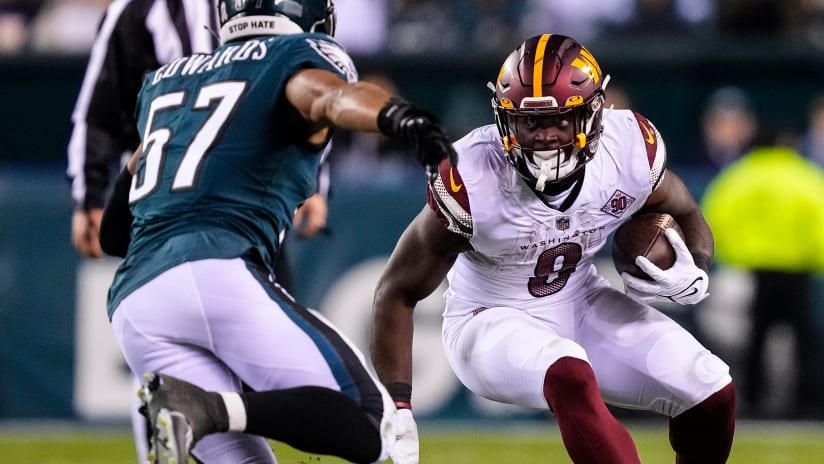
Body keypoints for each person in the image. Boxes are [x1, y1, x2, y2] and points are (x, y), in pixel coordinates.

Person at [97, 1, 457, 463]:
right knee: (370, 419)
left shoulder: (173, 79)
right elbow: (325, 96)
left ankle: (201, 409)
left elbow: (113, 233)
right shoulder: (292, 54)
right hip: (217, 269)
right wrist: (395, 117)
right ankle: (204, 407)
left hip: (137, 306)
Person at [369, 34, 736, 464]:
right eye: (529, 123)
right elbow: (396, 290)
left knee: (709, 387)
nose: (544, 136)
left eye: (560, 120)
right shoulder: (472, 177)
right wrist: (398, 404)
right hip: (487, 319)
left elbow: (685, 209)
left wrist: (694, 266)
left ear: (593, 115)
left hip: (580, 300)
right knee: (567, 368)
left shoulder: (628, 151)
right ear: (506, 121)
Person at [701, 130, 824, 419]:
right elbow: (819, 218)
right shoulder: (805, 175)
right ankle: (807, 401)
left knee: (757, 338)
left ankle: (754, 402)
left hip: (754, 270)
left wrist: (731, 255)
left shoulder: (738, 176)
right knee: (805, 339)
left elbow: (714, 215)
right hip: (797, 269)